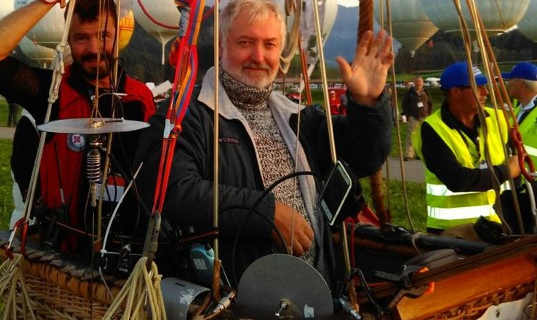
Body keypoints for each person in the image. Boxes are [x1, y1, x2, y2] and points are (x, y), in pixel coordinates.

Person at [134, 0, 394, 286]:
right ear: (222, 45)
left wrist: (368, 105)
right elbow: (170, 190)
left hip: (315, 293)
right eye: (246, 42)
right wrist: (266, 213)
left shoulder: (298, 118)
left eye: (269, 44)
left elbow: (365, 157)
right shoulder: (185, 115)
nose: (258, 56)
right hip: (232, 300)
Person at [0, 0, 156, 255]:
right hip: (66, 251)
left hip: (129, 251)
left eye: (103, 35)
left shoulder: (140, 96)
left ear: (118, 33)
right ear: (66, 37)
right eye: (80, 38)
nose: (93, 49)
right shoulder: (50, 92)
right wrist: (45, 2)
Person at [412, 62, 520, 235]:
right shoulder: (432, 129)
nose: (485, 92)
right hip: (453, 232)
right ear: (456, 92)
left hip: (501, 225)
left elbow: (517, 164)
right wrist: (508, 171)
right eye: (478, 88)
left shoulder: (498, 119)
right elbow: (458, 180)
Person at [500, 61, 537, 233]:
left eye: (510, 80)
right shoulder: (517, 111)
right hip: (522, 189)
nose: (506, 84)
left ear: (520, 83)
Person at [401, 76, 432, 161]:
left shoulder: (426, 92)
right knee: (410, 136)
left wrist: (428, 114)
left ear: (422, 83)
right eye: (417, 82)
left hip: (424, 117)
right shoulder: (409, 92)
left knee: (422, 136)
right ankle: (409, 154)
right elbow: (404, 104)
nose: (418, 83)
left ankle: (420, 154)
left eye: (420, 82)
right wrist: (408, 115)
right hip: (413, 117)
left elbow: (430, 104)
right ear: (414, 83)